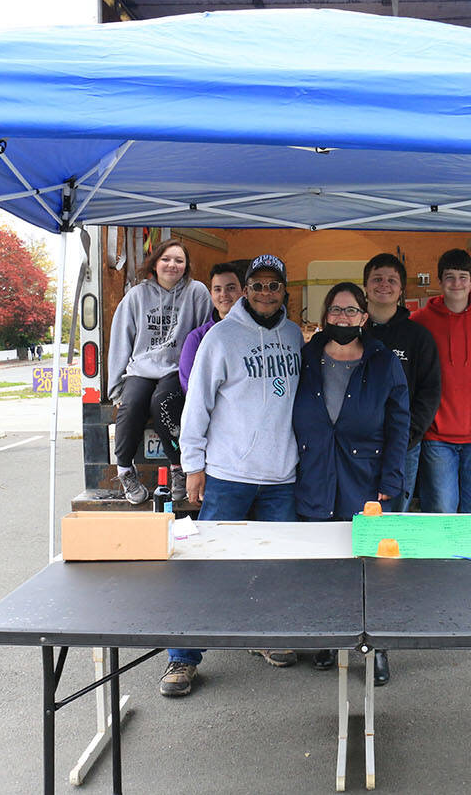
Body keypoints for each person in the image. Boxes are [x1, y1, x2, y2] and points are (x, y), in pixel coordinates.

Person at [161, 253, 304, 698]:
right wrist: (194, 466)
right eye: (257, 285)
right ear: (246, 290)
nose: (265, 293)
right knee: (208, 568)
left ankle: (265, 636)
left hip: (280, 477)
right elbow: (197, 405)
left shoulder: (294, 335)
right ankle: (182, 657)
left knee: (275, 568)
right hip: (228, 475)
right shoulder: (220, 338)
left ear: (284, 290)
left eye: (273, 285)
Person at [293, 282, 410, 685]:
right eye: (336, 310)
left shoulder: (383, 361)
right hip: (316, 471)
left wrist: (391, 478)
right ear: (325, 315)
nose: (342, 318)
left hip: (367, 475)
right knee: (325, 564)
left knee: (370, 566)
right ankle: (330, 637)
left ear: (364, 316)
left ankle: (377, 647)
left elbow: (399, 424)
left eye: (351, 311)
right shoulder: (306, 357)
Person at [106, 239, 211, 505]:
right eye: (166, 259)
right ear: (155, 264)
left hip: (177, 367)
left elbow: (205, 335)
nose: (172, 265)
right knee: (131, 404)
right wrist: (116, 387)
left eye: (179, 260)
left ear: (186, 266)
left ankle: (178, 468)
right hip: (142, 367)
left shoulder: (197, 292)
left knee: (162, 402)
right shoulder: (136, 296)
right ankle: (125, 470)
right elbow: (121, 340)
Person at [410, 249, 471, 513]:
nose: (456, 283)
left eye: (463, 277)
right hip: (436, 436)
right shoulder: (420, 321)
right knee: (441, 509)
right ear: (440, 281)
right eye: (449, 277)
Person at [362, 254, 441, 512]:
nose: (384, 285)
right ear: (365, 286)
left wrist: (408, 434)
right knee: (357, 512)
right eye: (377, 279)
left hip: (403, 446)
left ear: (401, 289)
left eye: (392, 280)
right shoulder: (352, 332)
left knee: (395, 517)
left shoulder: (418, 337)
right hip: (357, 445)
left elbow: (429, 391)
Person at [178, 261, 245, 392]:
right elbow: (189, 383)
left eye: (231, 288)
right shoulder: (197, 338)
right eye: (217, 289)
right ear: (211, 294)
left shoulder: (257, 333)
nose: (224, 294)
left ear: (244, 292)